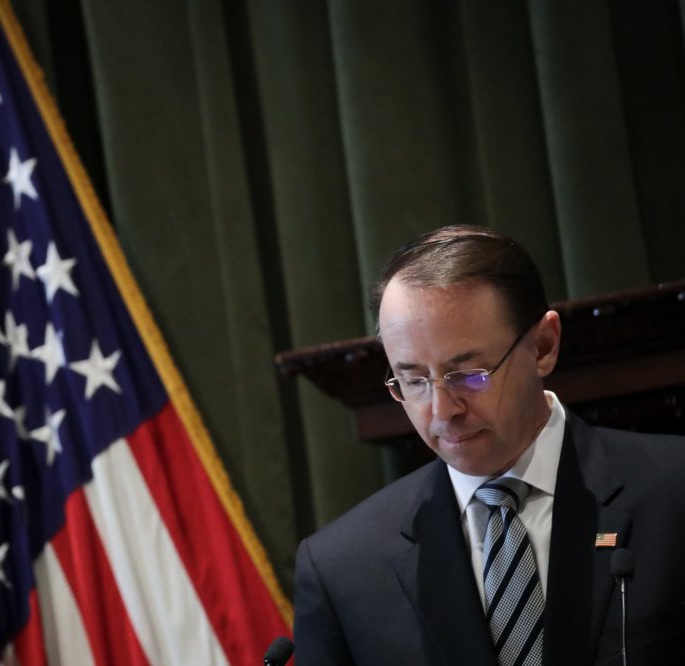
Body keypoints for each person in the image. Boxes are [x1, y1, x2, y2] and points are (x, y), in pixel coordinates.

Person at [293, 225, 685, 665]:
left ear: (543, 346)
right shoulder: (342, 567)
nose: (441, 410)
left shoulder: (673, 489)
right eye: (413, 380)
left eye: (468, 374)